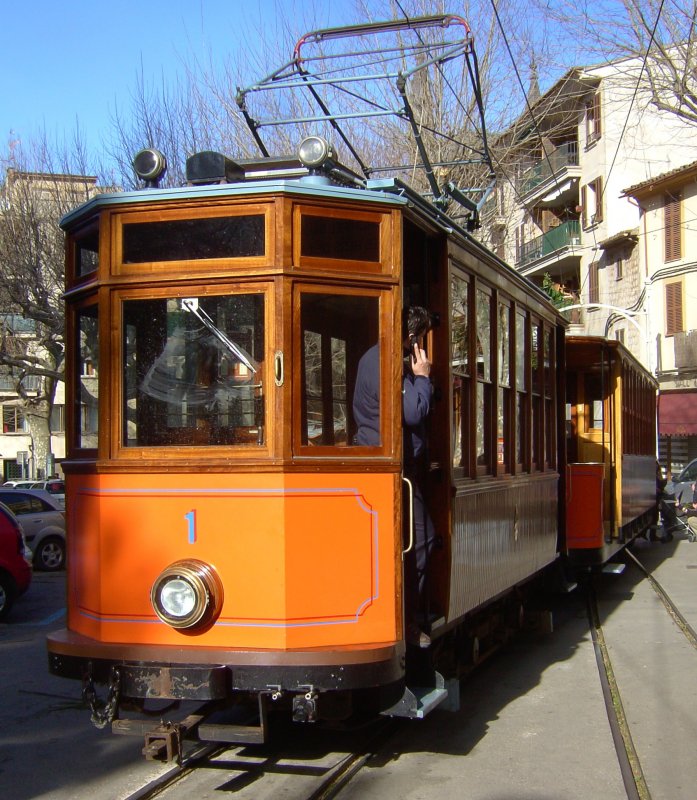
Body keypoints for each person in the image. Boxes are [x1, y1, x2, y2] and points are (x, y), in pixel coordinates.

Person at [353, 306, 436, 648]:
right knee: (422, 541)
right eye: (420, 340)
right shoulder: (386, 360)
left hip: (379, 462)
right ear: (413, 338)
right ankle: (407, 620)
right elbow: (413, 412)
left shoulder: (372, 357)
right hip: (395, 471)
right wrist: (423, 376)